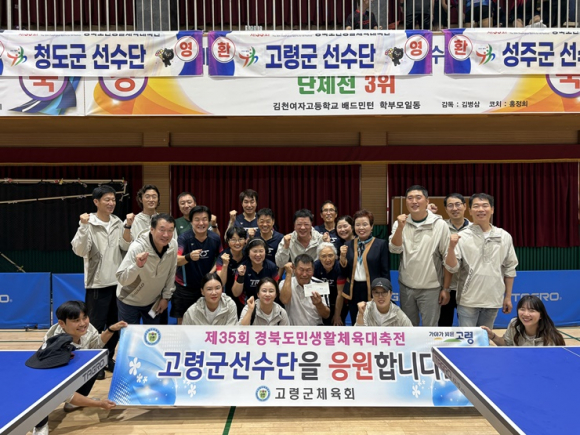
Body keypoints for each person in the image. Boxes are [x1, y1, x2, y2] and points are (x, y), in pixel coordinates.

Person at [32, 301, 127, 435]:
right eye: (76, 320)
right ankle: (39, 424)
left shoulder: (88, 328)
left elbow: (96, 345)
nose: (83, 323)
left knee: (95, 362)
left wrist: (111, 329)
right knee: (42, 392)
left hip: (69, 369)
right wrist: (100, 404)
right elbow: (64, 392)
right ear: (62, 323)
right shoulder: (55, 346)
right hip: (45, 382)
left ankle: (75, 403)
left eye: (84, 317)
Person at [71, 185, 129, 378]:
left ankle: (107, 358)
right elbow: (79, 250)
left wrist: (128, 228)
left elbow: (125, 247)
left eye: (113, 199)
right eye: (107, 200)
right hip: (97, 284)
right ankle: (93, 363)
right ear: (96, 202)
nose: (111, 203)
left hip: (118, 284)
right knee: (94, 326)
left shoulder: (118, 222)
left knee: (115, 326)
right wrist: (83, 226)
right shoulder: (88, 222)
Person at [445, 193, 518, 329]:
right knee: (468, 339)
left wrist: (508, 297)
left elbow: (510, 268)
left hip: (493, 299)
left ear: (492, 209)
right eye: (476, 206)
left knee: (484, 338)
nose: (481, 209)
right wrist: (451, 248)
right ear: (470, 210)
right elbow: (452, 268)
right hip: (468, 300)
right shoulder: (461, 236)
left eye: (485, 206)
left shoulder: (504, 236)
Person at [389, 185, 451, 327]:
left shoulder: (439, 224)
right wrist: (400, 227)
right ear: (406, 202)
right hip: (406, 286)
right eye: (410, 198)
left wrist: (446, 289)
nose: (414, 201)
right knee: (409, 327)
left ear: (427, 201)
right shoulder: (400, 223)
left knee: (430, 329)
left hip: (431, 287)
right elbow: (395, 249)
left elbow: (447, 259)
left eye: (418, 197)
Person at [115, 213, 177, 325]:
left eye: (170, 230)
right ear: (152, 229)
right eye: (162, 230)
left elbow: (171, 272)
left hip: (153, 301)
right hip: (129, 301)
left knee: (155, 334)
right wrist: (137, 266)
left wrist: (166, 297)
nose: (166, 235)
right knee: (130, 335)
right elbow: (122, 278)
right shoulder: (137, 247)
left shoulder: (173, 245)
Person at [172, 205, 222, 324]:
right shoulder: (184, 238)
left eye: (204, 219)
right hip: (185, 287)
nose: (201, 223)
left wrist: (211, 273)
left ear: (209, 221)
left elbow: (221, 258)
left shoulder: (215, 238)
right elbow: (176, 260)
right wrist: (188, 257)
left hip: (207, 287)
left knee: (207, 319)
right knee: (183, 320)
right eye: (197, 220)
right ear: (191, 221)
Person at [340, 209, 390, 326]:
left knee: (374, 323)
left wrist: (384, 292)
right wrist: (342, 257)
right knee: (356, 322)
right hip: (354, 290)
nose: (361, 228)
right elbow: (344, 272)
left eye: (365, 224)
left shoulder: (380, 244)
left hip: (374, 289)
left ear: (371, 226)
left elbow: (385, 271)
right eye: (357, 225)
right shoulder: (348, 245)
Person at [439, 193, 471, 327]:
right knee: (443, 325)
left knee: (468, 326)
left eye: (458, 204)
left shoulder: (474, 229)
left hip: (468, 287)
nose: (454, 208)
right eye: (450, 205)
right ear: (446, 209)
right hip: (445, 286)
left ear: (465, 206)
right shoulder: (440, 228)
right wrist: (445, 289)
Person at [482, 295, 565, 346]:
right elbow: (507, 344)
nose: (526, 314)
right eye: (522, 309)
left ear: (541, 315)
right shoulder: (514, 324)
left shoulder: (551, 340)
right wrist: (492, 336)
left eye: (531, 310)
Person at [280, 254, 330, 326]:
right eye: (301, 270)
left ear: (313, 270)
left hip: (315, 328)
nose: (304, 274)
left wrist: (319, 304)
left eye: (308, 270)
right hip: (293, 329)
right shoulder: (285, 283)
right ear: (294, 269)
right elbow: (284, 300)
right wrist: (288, 274)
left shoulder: (320, 284)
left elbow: (326, 315)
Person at [232, 238, 279, 305]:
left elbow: (275, 290)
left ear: (265, 252)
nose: (258, 255)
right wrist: (241, 276)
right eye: (255, 251)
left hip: (266, 303)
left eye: (261, 251)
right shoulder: (242, 267)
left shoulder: (272, 267)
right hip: (246, 304)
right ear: (248, 253)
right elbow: (236, 293)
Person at [314, 242, 347, 326]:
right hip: (321, 302)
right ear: (319, 257)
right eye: (323, 256)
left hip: (338, 302)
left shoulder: (339, 268)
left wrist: (337, 315)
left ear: (335, 256)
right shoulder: (315, 266)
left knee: (337, 324)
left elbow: (340, 294)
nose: (327, 259)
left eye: (330, 255)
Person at [216, 226, 247, 316]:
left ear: (245, 240)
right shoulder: (223, 257)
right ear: (228, 241)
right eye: (233, 240)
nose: (237, 243)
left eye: (240, 239)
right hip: (227, 297)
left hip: (244, 296)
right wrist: (225, 265)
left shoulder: (248, 255)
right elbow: (221, 283)